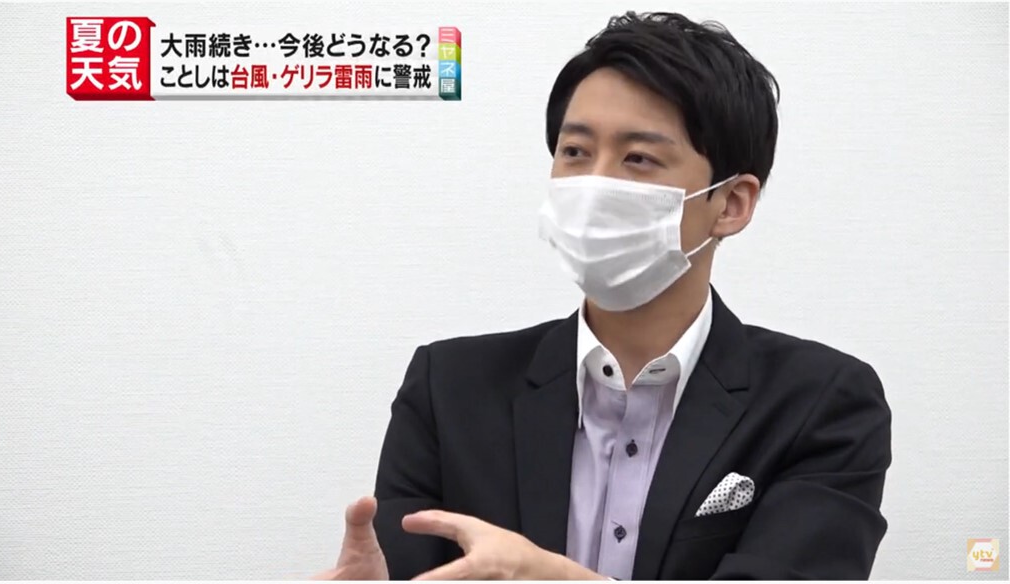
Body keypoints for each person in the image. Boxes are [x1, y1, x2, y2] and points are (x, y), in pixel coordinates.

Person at [313, 10, 892, 580]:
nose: (595, 183)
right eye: (575, 152)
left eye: (638, 158)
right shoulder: (448, 388)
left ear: (732, 203)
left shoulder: (821, 405)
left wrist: (556, 579)